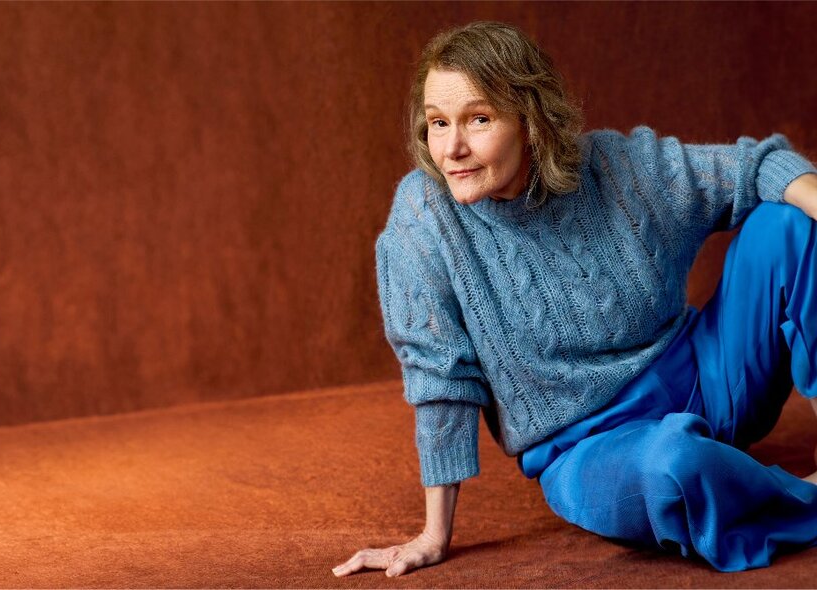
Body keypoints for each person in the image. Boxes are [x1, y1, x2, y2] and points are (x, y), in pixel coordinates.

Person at [332, 20, 817, 578]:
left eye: (479, 119)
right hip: (592, 448)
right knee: (674, 467)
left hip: (711, 377)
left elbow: (752, 167)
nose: (452, 147)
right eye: (437, 123)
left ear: (531, 121)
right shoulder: (424, 219)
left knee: (788, 224)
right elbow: (439, 377)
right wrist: (433, 535)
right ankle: (792, 497)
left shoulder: (612, 167)